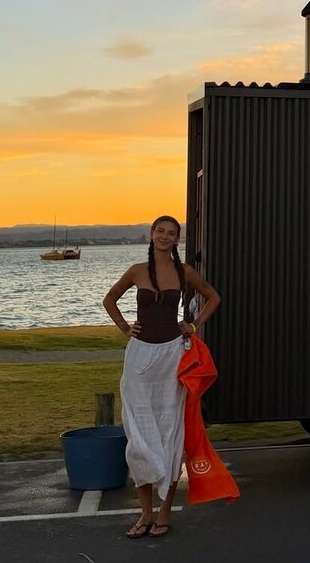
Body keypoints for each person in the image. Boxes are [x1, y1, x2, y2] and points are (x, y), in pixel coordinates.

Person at [103, 215, 221, 538]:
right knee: (138, 436)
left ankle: (164, 511)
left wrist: (194, 324)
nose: (165, 237)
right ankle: (145, 512)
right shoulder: (136, 271)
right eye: (160, 231)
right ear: (152, 234)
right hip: (139, 359)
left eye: (172, 233)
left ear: (177, 239)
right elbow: (109, 300)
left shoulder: (184, 272)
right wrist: (125, 327)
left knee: (170, 433)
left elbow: (213, 296)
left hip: (172, 357)